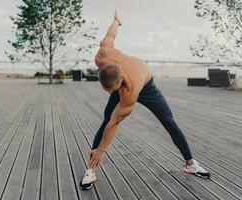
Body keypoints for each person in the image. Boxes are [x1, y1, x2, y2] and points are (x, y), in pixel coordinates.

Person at [80, 10, 210, 191]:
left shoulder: (129, 90)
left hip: (146, 86)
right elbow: (110, 35)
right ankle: (90, 171)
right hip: (127, 79)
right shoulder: (103, 54)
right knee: (105, 120)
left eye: (111, 91)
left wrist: (102, 149)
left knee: (168, 121)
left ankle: (191, 163)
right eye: (106, 90)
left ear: (119, 84)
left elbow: (116, 122)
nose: (107, 93)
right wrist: (116, 22)